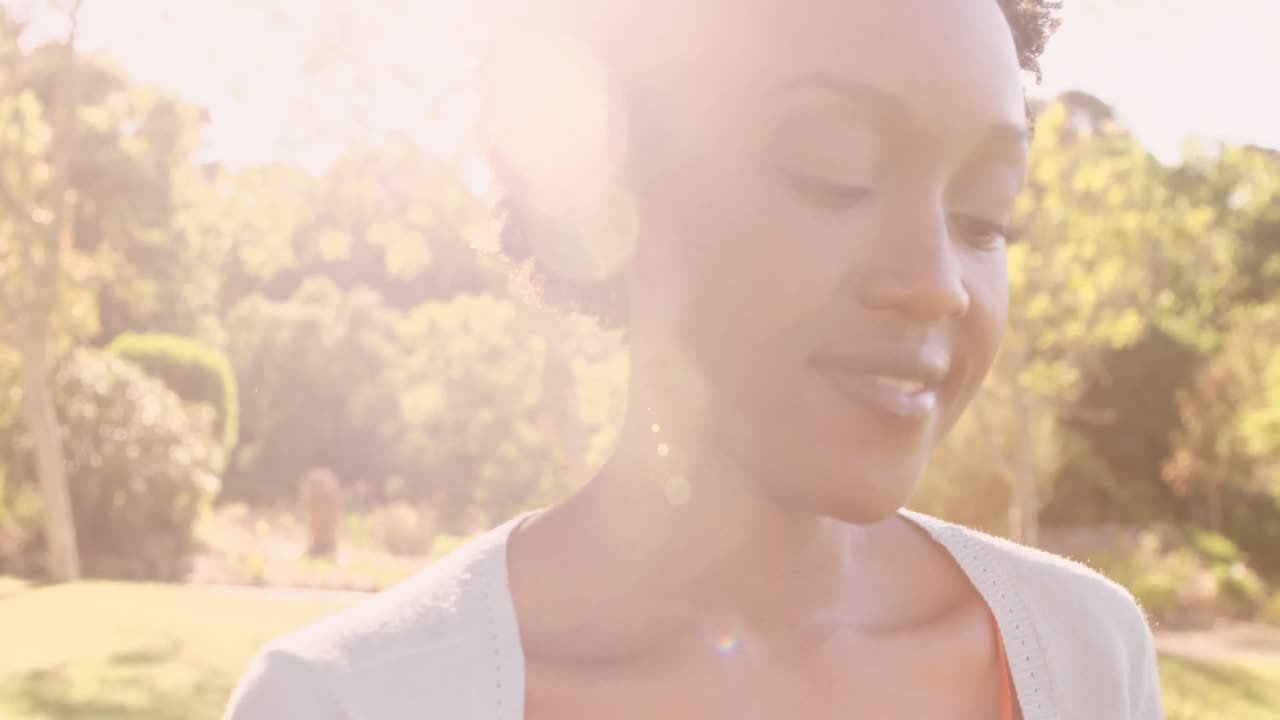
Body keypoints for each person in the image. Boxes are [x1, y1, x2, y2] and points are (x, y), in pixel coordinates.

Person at [223, 0, 1164, 718]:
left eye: (983, 216)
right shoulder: (353, 702)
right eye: (835, 172)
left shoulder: (1081, 658)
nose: (937, 284)